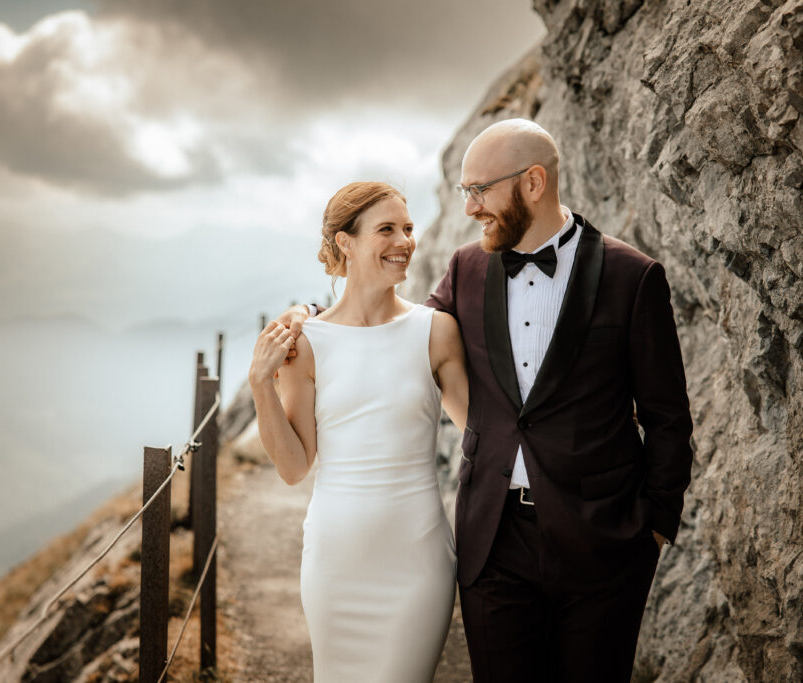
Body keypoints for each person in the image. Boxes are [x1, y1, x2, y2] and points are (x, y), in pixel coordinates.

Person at [278, 118, 694, 682]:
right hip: (494, 542)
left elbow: (668, 417)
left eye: (480, 190)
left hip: (602, 542)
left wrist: (654, 526)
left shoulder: (633, 276)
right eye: (464, 192)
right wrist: (310, 321)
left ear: (533, 183)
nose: (470, 208)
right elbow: (391, 336)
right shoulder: (465, 270)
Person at [248, 181, 469, 683]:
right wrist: (261, 383)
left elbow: (485, 432)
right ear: (344, 243)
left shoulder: (436, 332)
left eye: (408, 229)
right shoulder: (307, 343)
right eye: (386, 229)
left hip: (418, 562)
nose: (405, 242)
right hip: (335, 565)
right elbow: (293, 468)